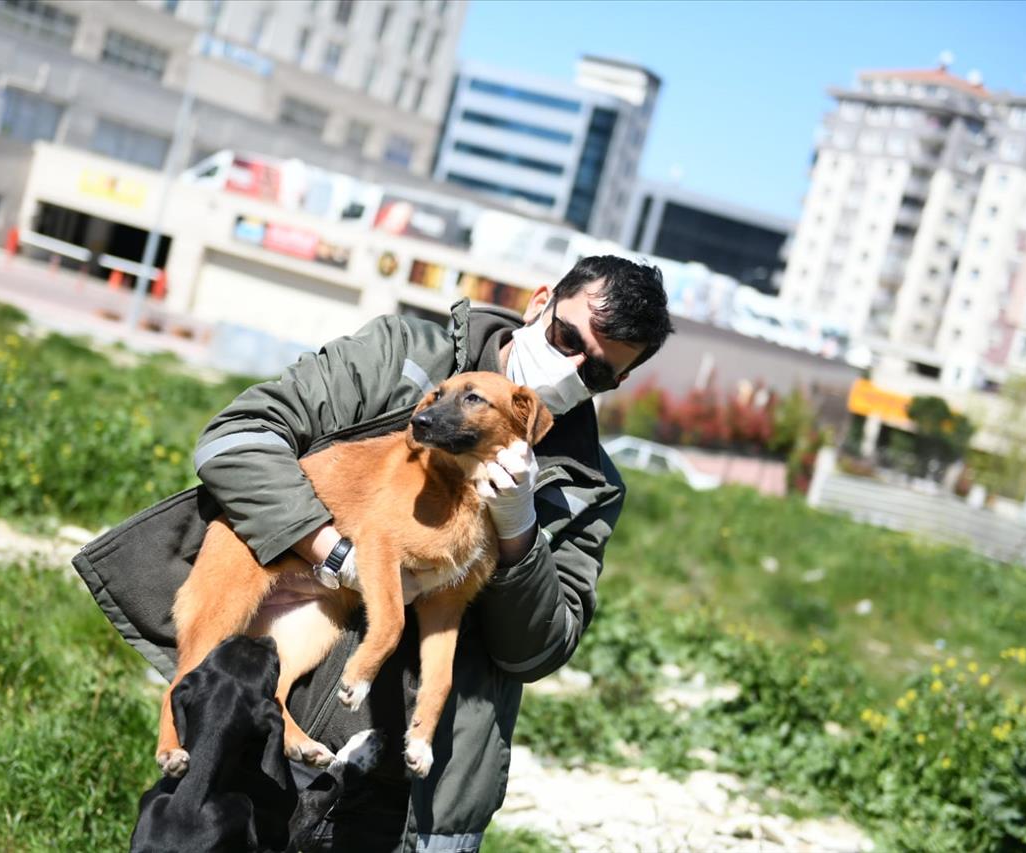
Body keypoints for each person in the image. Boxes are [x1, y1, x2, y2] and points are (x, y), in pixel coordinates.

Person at [186, 254, 674, 851]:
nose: (571, 367)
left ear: (618, 383)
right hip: (267, 730)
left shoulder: (588, 485)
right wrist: (338, 557)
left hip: (418, 798)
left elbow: (539, 650)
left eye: (596, 371)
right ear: (539, 300)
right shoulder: (403, 357)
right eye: (565, 337)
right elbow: (236, 441)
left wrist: (519, 534)